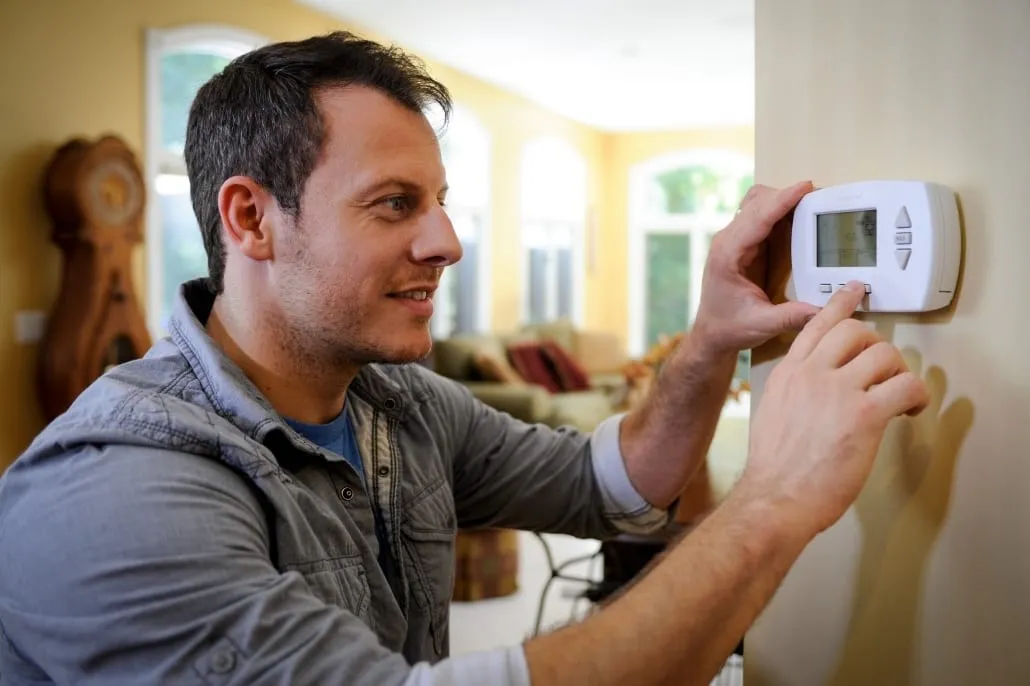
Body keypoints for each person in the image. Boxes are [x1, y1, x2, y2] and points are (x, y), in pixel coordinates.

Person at [0, 31, 928, 686]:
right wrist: (771, 502)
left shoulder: (399, 402)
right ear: (251, 219)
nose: (448, 242)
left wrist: (712, 337)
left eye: (441, 201)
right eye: (395, 204)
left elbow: (615, 484)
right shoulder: (114, 491)